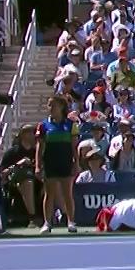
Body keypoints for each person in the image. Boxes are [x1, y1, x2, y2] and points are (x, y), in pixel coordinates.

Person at [36, 96, 78, 233]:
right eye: (49, 105)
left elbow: (74, 146)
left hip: (65, 162)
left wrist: (76, 163)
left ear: (61, 107)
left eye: (53, 105)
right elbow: (39, 147)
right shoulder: (43, 125)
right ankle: (47, 223)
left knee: (67, 193)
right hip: (50, 162)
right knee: (49, 194)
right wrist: (37, 165)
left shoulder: (70, 125)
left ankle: (71, 221)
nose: (51, 108)